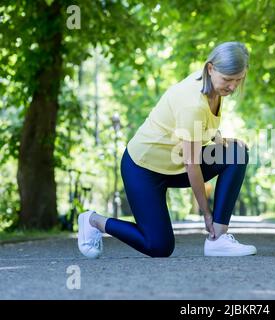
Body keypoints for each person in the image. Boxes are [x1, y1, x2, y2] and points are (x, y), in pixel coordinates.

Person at [77, 41, 256, 259]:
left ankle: (218, 239)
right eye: (228, 79)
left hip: (174, 163)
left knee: (236, 151)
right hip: (142, 168)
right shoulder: (193, 102)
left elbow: (199, 130)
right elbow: (192, 165)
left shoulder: (213, 88)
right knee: (159, 247)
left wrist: (219, 139)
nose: (233, 87)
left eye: (238, 80)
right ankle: (93, 220)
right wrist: (206, 214)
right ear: (210, 68)